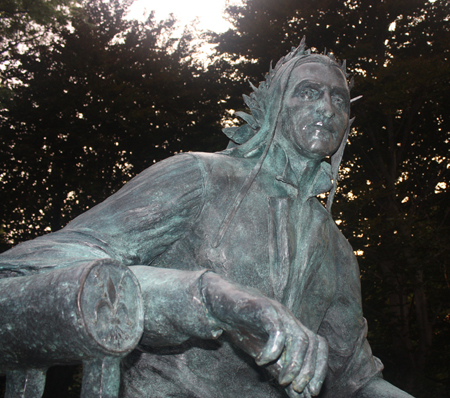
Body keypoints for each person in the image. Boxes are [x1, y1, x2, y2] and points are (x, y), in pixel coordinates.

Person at [0, 41, 414, 398]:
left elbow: (354, 381)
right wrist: (210, 296)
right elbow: (41, 260)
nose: (326, 107)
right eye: (308, 92)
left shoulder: (337, 250)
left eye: (338, 99)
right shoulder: (199, 175)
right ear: (273, 107)